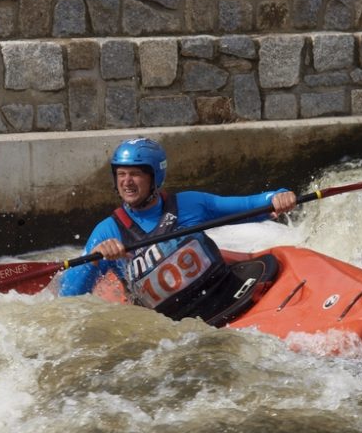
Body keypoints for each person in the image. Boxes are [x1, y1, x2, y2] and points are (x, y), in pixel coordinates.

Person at [59, 137, 297, 323]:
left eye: (135, 174)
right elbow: (67, 299)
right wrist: (94, 259)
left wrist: (278, 196)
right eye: (121, 174)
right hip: (172, 324)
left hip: (226, 294)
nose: (127, 182)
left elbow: (251, 206)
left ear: (154, 177)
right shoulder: (107, 232)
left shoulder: (191, 204)